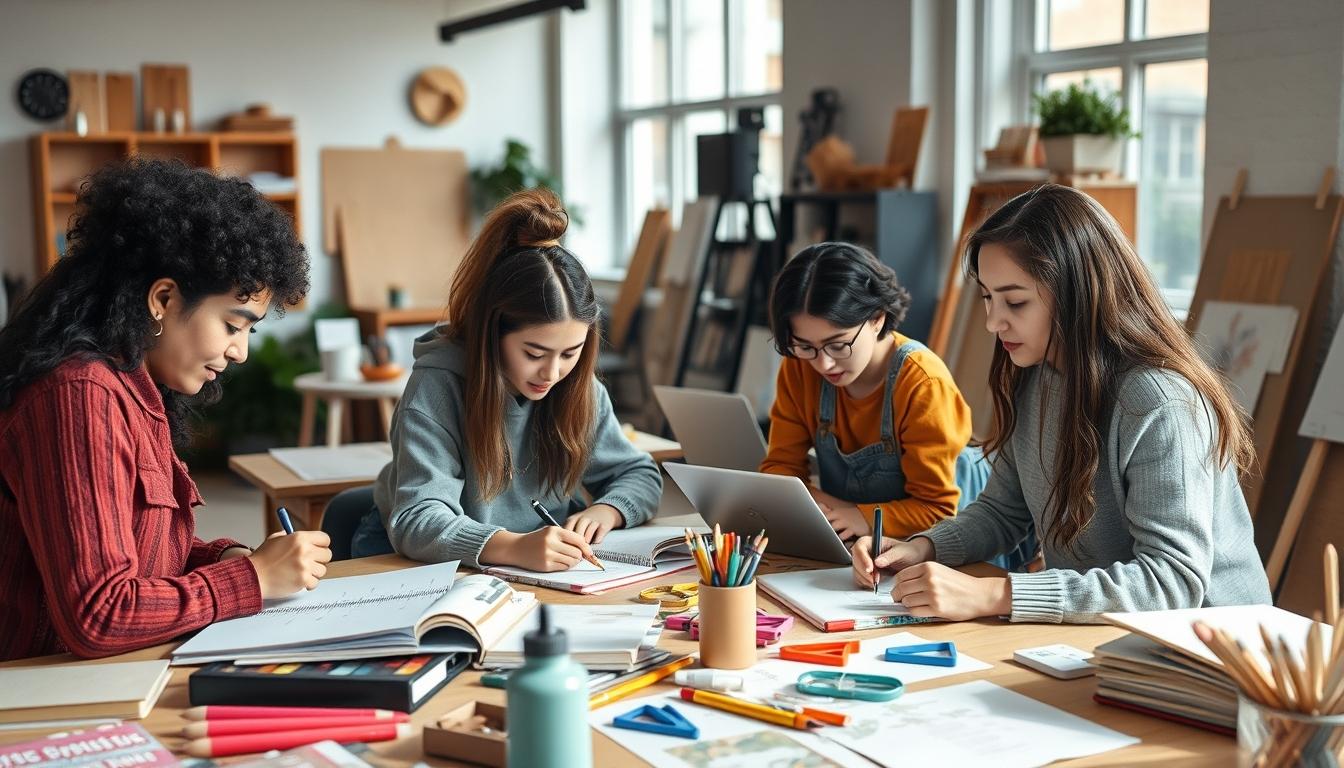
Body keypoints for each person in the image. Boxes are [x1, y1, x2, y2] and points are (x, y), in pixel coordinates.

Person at [852, 184, 1271, 623]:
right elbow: (1003, 510)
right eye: (988, 299)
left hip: (1216, 651)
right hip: (1108, 638)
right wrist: (922, 547)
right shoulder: (1036, 375)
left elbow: (1170, 582)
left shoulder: (1158, 401)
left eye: (1015, 301)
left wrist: (998, 594)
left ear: (1078, 292)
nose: (994, 322)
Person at [0, 159, 331, 660]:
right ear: (163, 298)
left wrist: (227, 558)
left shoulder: (135, 387)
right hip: (42, 689)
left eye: (250, 331)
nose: (240, 351)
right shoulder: (79, 395)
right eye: (232, 324)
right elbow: (99, 614)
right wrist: (250, 579)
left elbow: (140, 558)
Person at [351, 188, 662, 571]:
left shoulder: (579, 389)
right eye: (533, 354)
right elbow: (418, 518)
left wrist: (607, 510)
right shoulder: (437, 388)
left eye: (570, 353)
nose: (552, 374)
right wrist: (514, 547)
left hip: (530, 562)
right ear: (492, 334)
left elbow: (639, 473)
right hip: (416, 559)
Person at [760, 242, 991, 541]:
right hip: (867, 541)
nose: (823, 362)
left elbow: (938, 509)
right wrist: (806, 503)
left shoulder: (922, 385)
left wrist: (860, 516)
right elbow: (781, 465)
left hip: (955, 544)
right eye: (805, 346)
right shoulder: (799, 369)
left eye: (838, 344)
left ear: (876, 318)